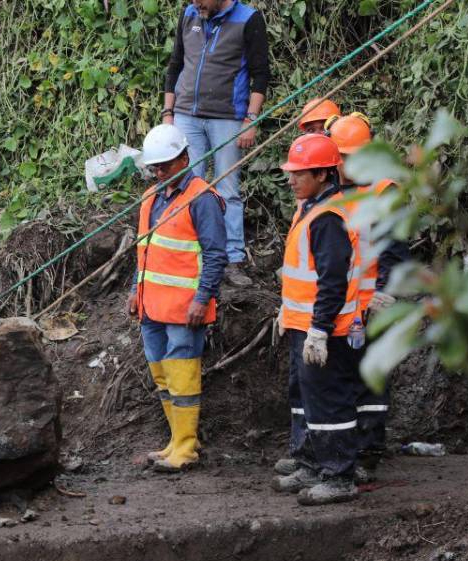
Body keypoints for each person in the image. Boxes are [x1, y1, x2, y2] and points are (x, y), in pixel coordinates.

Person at [127, 124, 228, 472]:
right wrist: (134, 291)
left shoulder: (202, 198)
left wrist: (203, 298)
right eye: (155, 167)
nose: (159, 172)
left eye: (165, 165)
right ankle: (176, 440)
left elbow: (216, 254)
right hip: (151, 305)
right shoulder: (151, 197)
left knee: (183, 373)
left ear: (184, 158)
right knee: (162, 373)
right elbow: (145, 250)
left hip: (186, 308)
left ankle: (185, 449)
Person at [271, 134, 363, 506]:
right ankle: (310, 462)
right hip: (302, 323)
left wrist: (320, 331)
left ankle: (339, 475)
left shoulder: (328, 218)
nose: (291, 180)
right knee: (306, 398)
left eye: (300, 173)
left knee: (329, 401)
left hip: (327, 329)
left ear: (324, 174)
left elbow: (332, 280)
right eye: (290, 173)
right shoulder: (311, 208)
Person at [162, 0, 270, 287]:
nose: (197, 3)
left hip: (228, 117)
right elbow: (175, 65)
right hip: (186, 114)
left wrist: (251, 119)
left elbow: (261, 74)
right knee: (187, 187)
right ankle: (191, 254)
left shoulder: (249, 19)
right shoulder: (188, 13)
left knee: (228, 188)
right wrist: (168, 113)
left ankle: (233, 259)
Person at [327, 112, 410, 482]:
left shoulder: (383, 191)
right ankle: (345, 450)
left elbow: (394, 249)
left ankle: (369, 451)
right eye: (341, 158)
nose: (344, 165)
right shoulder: (333, 189)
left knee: (371, 378)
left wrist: (385, 294)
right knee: (342, 379)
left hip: (372, 301)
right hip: (341, 302)